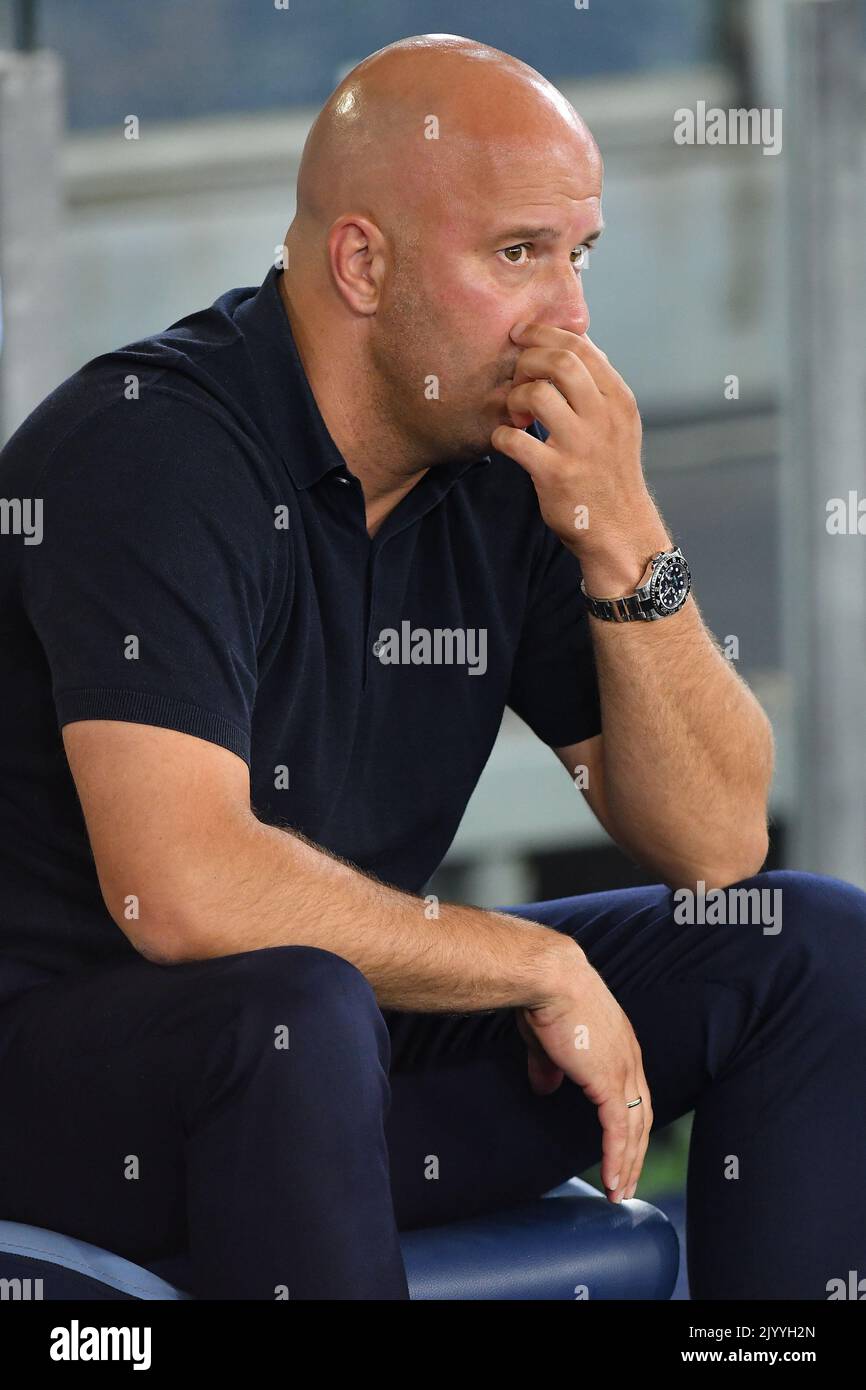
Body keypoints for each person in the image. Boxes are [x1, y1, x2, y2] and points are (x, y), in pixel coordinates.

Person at [0, 33, 863, 1301]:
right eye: (519, 254)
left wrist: (624, 536)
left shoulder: (502, 464)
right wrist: (529, 961)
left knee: (808, 947)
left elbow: (715, 843)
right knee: (295, 1008)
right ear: (362, 262)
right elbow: (177, 891)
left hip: (328, 1070)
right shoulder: (152, 454)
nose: (567, 316)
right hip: (72, 1098)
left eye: (580, 256)